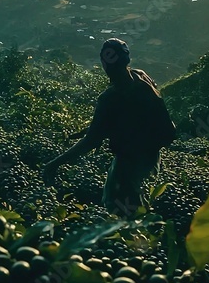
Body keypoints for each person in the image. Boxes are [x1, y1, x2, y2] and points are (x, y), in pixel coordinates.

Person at [42, 38, 175, 217]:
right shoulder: (141, 76)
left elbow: (91, 141)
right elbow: (137, 115)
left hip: (130, 161)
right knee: (139, 200)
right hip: (152, 155)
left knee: (117, 206)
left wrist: (54, 164)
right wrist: (97, 128)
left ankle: (138, 239)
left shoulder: (110, 97)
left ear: (104, 63)